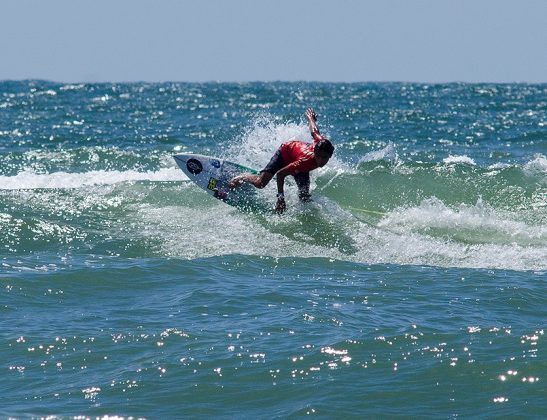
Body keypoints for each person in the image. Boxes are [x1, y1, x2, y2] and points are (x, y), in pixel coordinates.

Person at [229, 108, 334, 214]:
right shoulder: (304, 161)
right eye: (318, 156)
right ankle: (243, 177)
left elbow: (314, 131)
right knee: (260, 183)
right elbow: (280, 174)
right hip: (285, 152)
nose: (320, 160)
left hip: (299, 159)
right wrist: (280, 198)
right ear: (315, 153)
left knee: (304, 197)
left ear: (330, 155)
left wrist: (311, 119)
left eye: (324, 158)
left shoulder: (321, 143)